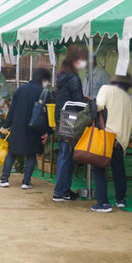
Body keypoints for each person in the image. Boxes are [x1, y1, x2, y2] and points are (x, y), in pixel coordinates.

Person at [91, 75, 132, 212]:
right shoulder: (130, 101)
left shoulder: (105, 89)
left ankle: (103, 203)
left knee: (99, 168)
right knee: (118, 169)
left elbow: (98, 106)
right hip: (119, 140)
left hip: (105, 136)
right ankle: (121, 200)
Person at [0, 68, 51, 189]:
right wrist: (46, 132)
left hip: (18, 126)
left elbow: (12, 110)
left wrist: (5, 125)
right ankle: (26, 182)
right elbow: (47, 115)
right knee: (31, 155)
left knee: (12, 153)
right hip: (35, 129)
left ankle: (4, 179)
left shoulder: (20, 90)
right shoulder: (44, 93)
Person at [53, 44, 88, 202]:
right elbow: (78, 101)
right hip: (70, 118)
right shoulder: (73, 77)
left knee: (64, 155)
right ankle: (60, 191)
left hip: (61, 117)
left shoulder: (62, 75)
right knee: (67, 156)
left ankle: (63, 190)